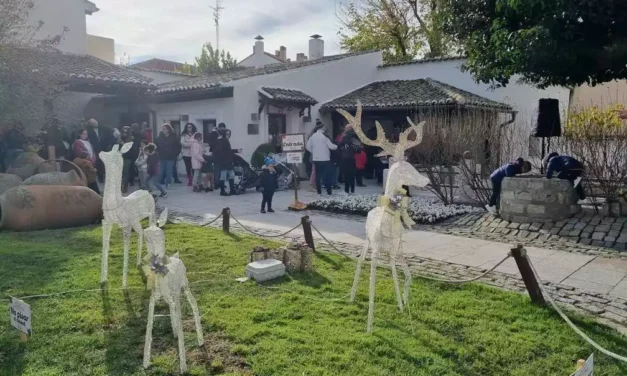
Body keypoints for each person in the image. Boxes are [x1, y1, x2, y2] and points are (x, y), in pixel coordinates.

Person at [306, 121, 338, 196]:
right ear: (322, 129)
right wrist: (337, 146)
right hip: (326, 159)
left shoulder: (312, 137)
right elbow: (332, 147)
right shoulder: (324, 137)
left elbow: (307, 147)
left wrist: (314, 152)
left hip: (316, 159)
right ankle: (329, 191)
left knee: (318, 175)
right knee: (327, 175)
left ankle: (319, 192)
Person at [86, 118, 116, 183]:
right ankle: (101, 177)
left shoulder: (105, 128)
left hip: (105, 148)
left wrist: (109, 145)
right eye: (92, 124)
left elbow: (111, 137)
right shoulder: (89, 131)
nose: (94, 124)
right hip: (96, 149)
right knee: (99, 164)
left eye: (94, 123)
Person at [71, 128, 100, 194]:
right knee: (88, 179)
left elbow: (92, 152)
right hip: (84, 164)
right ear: (80, 134)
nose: (85, 135)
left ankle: (94, 192)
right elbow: (80, 153)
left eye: (86, 134)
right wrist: (88, 158)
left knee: (91, 178)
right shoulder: (77, 142)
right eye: (83, 134)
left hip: (91, 163)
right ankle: (93, 192)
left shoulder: (88, 143)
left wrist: (93, 159)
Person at [213, 126, 236, 196]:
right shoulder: (221, 141)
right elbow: (221, 152)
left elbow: (228, 151)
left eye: (229, 134)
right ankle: (222, 191)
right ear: (223, 134)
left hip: (228, 162)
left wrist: (236, 150)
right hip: (224, 162)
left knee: (232, 175)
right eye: (227, 134)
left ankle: (232, 190)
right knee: (223, 176)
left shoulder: (225, 141)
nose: (228, 136)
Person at [338, 125, 362, 194]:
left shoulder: (345, 136)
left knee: (346, 175)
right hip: (353, 158)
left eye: (345, 128)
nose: (344, 129)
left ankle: (346, 190)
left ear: (348, 129)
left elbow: (339, 146)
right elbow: (359, 150)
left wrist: (343, 149)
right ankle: (352, 190)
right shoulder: (355, 137)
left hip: (346, 158)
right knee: (352, 174)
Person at [156, 123, 180, 189]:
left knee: (169, 171)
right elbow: (156, 146)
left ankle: (168, 182)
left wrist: (175, 154)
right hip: (161, 156)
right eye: (162, 129)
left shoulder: (174, 137)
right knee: (161, 171)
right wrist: (157, 153)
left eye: (164, 129)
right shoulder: (159, 137)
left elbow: (178, 147)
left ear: (168, 130)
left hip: (171, 157)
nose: (163, 130)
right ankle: (160, 182)